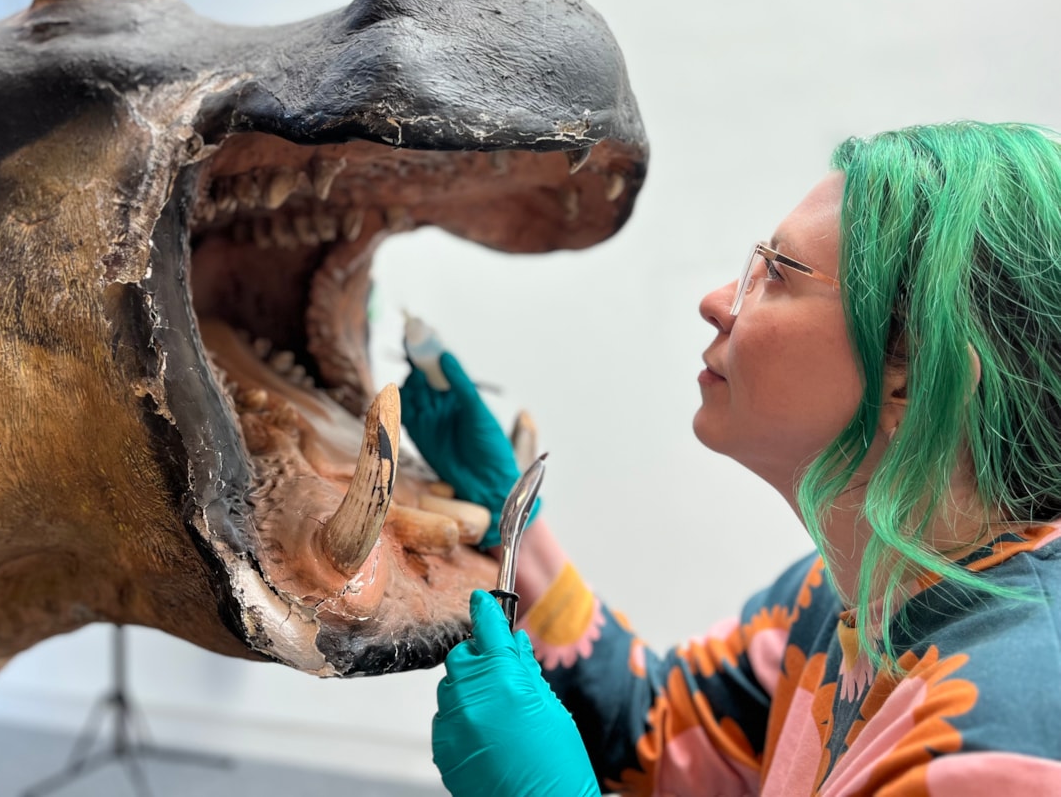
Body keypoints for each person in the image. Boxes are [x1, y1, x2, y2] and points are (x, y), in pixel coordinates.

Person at [400, 121, 1061, 795]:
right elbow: (658, 733)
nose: (716, 302)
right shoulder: (847, 595)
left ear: (915, 379)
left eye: (778, 273)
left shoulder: (999, 744)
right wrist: (511, 519)